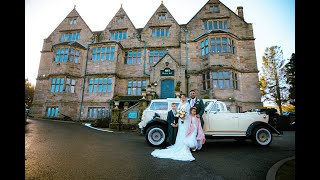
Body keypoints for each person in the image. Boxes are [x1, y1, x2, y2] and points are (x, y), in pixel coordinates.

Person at [151, 93, 195, 161]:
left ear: (186, 98)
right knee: (180, 132)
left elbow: (188, 113)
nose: (183, 98)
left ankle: (184, 145)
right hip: (180, 120)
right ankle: (178, 144)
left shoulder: (187, 104)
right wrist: (179, 116)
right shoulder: (180, 104)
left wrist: (183, 117)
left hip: (185, 120)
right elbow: (178, 112)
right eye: (181, 97)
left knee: (184, 132)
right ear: (180, 98)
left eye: (184, 97)